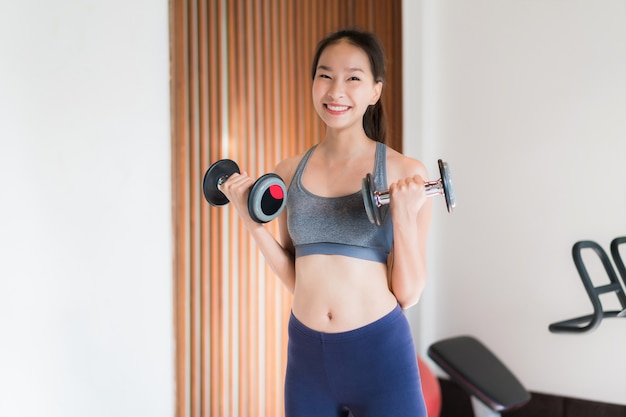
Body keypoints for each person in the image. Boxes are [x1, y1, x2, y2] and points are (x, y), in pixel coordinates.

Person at [220, 28, 432, 417]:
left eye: (353, 77)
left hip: (379, 356)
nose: (336, 90)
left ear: (374, 91)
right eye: (325, 75)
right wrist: (249, 221)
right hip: (308, 359)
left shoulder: (405, 172)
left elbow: (409, 293)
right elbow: (295, 275)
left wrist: (402, 214)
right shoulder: (287, 171)